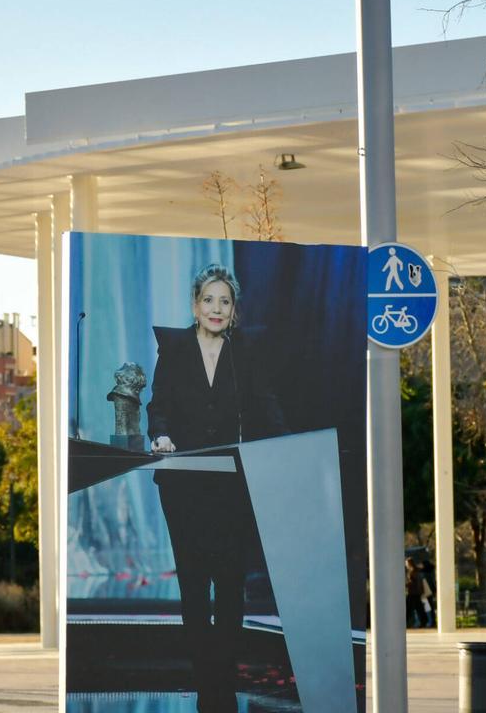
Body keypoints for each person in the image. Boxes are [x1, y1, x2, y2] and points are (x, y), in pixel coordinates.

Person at [145, 263, 284, 712]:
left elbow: (265, 403)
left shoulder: (245, 352)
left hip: (232, 484)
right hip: (183, 483)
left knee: (229, 584)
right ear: (195, 304)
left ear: (234, 309)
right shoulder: (175, 347)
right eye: (209, 299)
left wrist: (289, 441)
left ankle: (223, 674)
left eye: (225, 301)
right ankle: (205, 674)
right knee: (192, 581)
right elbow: (158, 404)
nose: (216, 308)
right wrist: (161, 435)